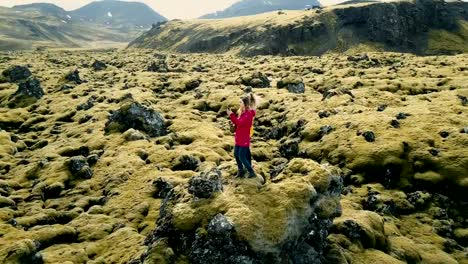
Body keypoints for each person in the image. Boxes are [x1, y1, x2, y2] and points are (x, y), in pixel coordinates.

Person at [227, 93, 257, 178]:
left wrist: (231, 115)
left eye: (241, 102)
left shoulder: (248, 115)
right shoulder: (242, 113)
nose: (240, 104)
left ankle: (251, 172)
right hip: (239, 139)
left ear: (245, 104)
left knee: (242, 157)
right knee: (236, 155)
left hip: (244, 140)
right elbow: (238, 125)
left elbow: (239, 123)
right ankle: (241, 171)